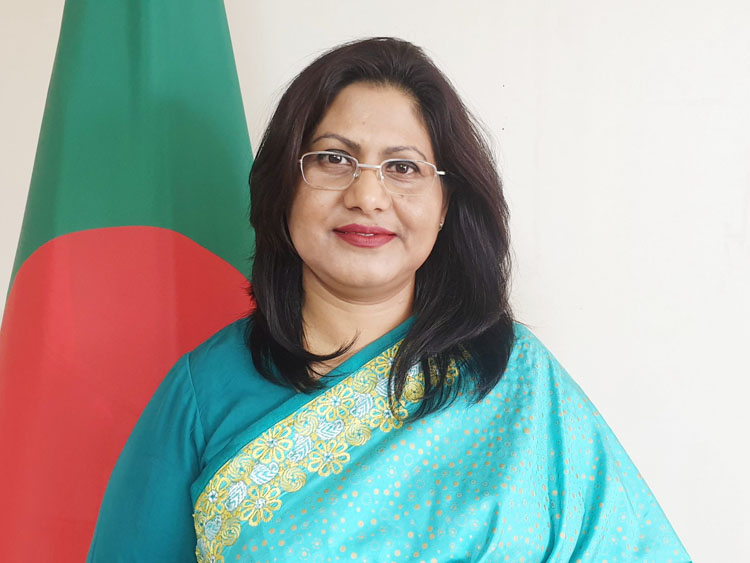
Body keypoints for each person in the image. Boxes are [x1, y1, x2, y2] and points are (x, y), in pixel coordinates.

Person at [88, 37, 690, 562]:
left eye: (403, 168)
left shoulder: (516, 379)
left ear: (446, 205)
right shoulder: (203, 394)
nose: (368, 196)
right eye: (334, 159)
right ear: (284, 187)